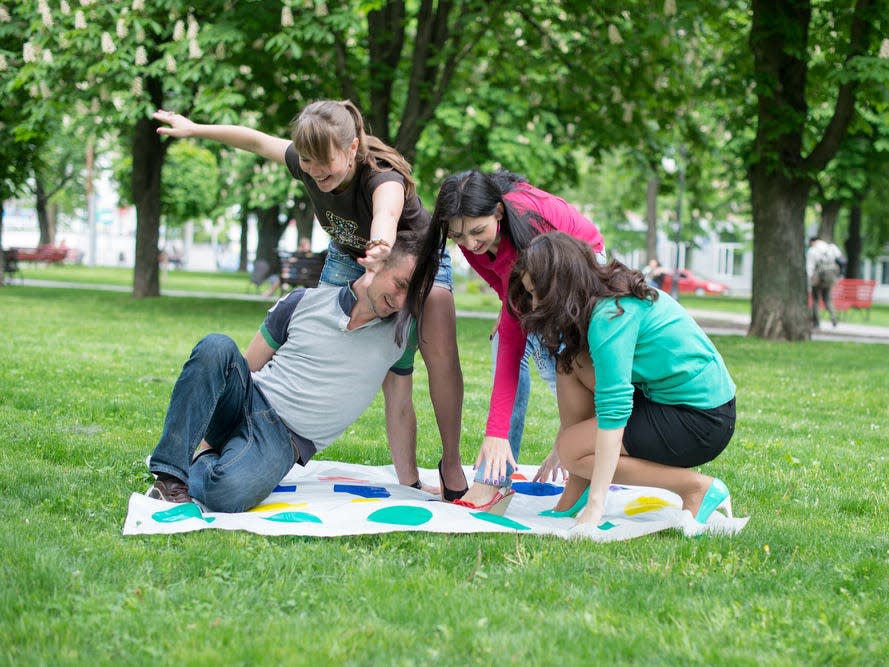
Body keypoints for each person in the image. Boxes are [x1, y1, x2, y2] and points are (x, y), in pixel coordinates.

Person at [153, 102, 466, 498]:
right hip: (353, 252)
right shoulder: (310, 161)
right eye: (308, 162)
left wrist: (380, 250)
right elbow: (254, 140)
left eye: (327, 166)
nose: (316, 173)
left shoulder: (381, 179)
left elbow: (386, 215)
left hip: (410, 261)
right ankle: (239, 435)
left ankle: (445, 468)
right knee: (319, 333)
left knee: (429, 360)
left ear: (352, 149)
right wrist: (195, 129)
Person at [147, 231, 435, 511]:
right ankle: (170, 478)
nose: (400, 302)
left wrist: (411, 483)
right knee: (215, 347)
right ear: (376, 264)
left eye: (412, 295)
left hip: (284, 439)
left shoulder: (401, 335)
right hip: (249, 399)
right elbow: (243, 370)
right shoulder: (302, 302)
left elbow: (399, 409)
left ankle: (204, 460)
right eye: (400, 284)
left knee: (225, 494)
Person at [507, 232, 737, 531]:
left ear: (562, 284)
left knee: (572, 450)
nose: (536, 303)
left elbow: (613, 410)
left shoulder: (610, 317)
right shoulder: (602, 296)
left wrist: (596, 506)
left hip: (700, 421)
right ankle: (577, 485)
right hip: (669, 401)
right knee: (569, 361)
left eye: (539, 292)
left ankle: (694, 487)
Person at [428, 169, 606, 514]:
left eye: (477, 231)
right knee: (508, 342)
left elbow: (516, 329)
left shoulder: (526, 229)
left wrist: (496, 431)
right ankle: (495, 479)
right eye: (458, 236)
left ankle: (578, 450)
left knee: (563, 360)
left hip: (585, 265)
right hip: (533, 275)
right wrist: (508, 311)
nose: (470, 244)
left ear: (497, 212)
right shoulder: (474, 243)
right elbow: (503, 288)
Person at [806, 236, 843, 328]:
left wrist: (810, 280)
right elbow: (839, 258)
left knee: (815, 300)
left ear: (812, 242)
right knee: (827, 299)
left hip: (818, 277)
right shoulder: (831, 247)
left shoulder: (812, 251)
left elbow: (809, 267)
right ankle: (834, 318)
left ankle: (816, 322)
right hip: (830, 277)